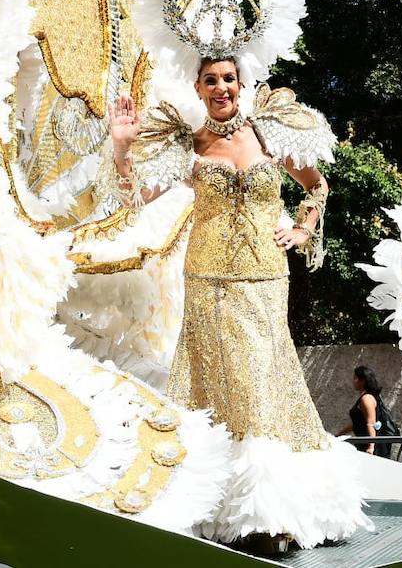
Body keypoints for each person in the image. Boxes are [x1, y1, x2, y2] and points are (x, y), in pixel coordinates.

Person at [108, 58, 365, 550]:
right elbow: (136, 195)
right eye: (211, 80)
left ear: (242, 85)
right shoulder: (188, 146)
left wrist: (303, 228)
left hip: (266, 278)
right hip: (209, 280)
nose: (220, 87)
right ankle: (230, 508)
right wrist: (123, 148)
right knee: (218, 383)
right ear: (198, 88)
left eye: (228, 78)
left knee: (264, 380)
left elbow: (317, 185)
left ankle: (277, 510)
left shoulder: (270, 137)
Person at [341, 365, 397, 455]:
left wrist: (371, 447)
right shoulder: (366, 397)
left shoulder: (366, 398)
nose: (353, 381)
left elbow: (371, 423)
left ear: (362, 381)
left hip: (372, 447)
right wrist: (338, 435)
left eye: (355, 378)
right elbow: (357, 423)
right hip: (364, 444)